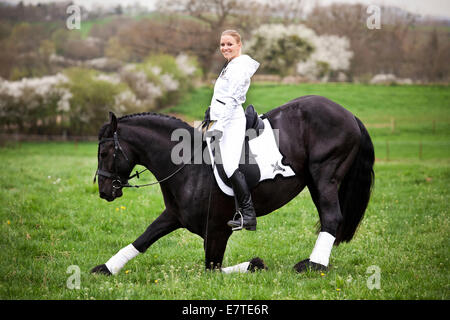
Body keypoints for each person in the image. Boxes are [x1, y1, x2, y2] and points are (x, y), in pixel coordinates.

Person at [204, 30, 260, 231]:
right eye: (222, 45)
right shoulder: (230, 65)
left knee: (229, 166)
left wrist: (219, 126)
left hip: (232, 121)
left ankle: (248, 214)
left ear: (239, 45)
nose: (225, 48)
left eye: (229, 44)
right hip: (221, 118)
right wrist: (211, 112)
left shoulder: (239, 67)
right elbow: (221, 96)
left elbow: (233, 100)